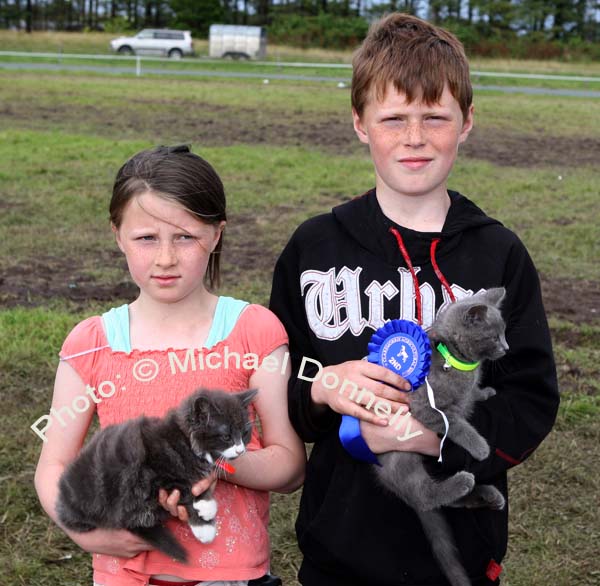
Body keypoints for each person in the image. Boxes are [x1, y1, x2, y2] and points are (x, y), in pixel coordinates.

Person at [269, 13, 559, 586]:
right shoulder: (314, 246)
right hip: (339, 548)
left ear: (467, 122)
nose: (414, 137)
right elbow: (277, 384)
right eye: (393, 118)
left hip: (459, 556)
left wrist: (437, 433)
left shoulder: (497, 253)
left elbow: (531, 396)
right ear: (359, 123)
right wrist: (323, 389)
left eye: (435, 117)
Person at [34, 145, 305, 586]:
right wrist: (81, 529)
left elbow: (290, 466)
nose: (165, 258)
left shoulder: (254, 332)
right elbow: (53, 466)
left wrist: (215, 463)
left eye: (185, 236)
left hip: (231, 576)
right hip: (125, 573)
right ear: (117, 234)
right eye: (146, 238)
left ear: (216, 234)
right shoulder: (92, 344)